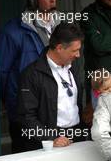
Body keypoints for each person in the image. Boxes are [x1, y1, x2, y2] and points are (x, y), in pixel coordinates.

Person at [0, 0, 60, 153]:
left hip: (54, 109)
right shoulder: (13, 31)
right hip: (25, 112)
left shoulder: (60, 27)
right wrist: (12, 100)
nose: (53, 0)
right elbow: (1, 72)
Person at [16, 23, 86, 151]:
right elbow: (26, 116)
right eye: (74, 51)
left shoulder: (74, 67)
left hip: (77, 137)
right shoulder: (31, 74)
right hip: (50, 142)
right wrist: (51, 138)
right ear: (59, 48)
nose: (78, 55)